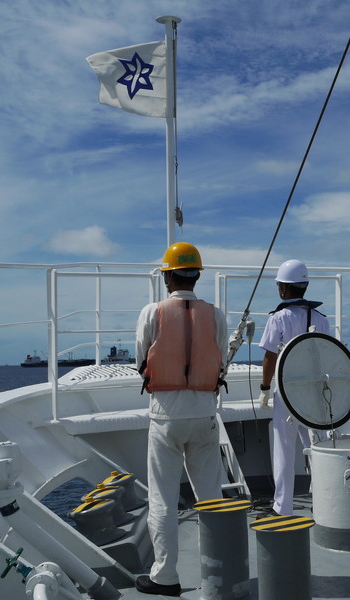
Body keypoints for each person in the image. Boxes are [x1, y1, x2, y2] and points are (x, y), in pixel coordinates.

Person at [135, 242, 228, 596]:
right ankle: (220, 572)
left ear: (168, 277)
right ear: (197, 276)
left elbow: (142, 361)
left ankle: (165, 577)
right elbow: (220, 361)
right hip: (205, 413)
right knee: (212, 497)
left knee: (162, 499)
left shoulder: (151, 312)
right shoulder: (216, 315)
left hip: (166, 416)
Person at [258, 259, 330, 516]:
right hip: (314, 393)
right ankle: (326, 502)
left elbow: (270, 357)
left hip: (287, 392)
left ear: (283, 288)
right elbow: (328, 354)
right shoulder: (320, 319)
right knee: (318, 448)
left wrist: (265, 388)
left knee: (284, 450)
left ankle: (283, 507)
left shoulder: (278, 318)